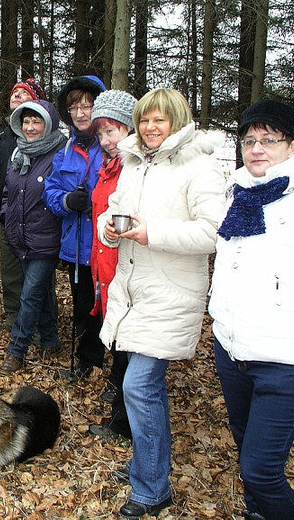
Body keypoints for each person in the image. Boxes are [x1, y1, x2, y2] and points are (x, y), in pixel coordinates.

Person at [208, 99, 294, 520]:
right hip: (234, 353)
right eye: (249, 140)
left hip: (285, 363)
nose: (257, 149)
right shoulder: (241, 198)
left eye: (269, 139)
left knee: (261, 470)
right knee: (247, 446)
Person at [96, 88, 225, 517]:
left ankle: (152, 489)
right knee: (143, 387)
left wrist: (152, 231)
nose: (151, 128)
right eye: (145, 120)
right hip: (133, 290)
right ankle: (147, 465)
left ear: (177, 120)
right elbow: (111, 210)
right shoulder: (133, 161)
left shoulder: (200, 167)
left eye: (160, 120)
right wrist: (108, 231)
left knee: (139, 386)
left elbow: (212, 233)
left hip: (170, 292)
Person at [43, 75, 107, 380]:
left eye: (87, 106)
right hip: (77, 245)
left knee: (107, 305)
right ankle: (87, 360)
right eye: (75, 107)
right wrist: (68, 201)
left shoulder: (111, 146)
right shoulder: (65, 151)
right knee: (83, 305)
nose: (81, 113)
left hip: (107, 244)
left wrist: (95, 202)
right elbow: (51, 191)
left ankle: (111, 365)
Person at [0, 99, 68, 374]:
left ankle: (17, 350)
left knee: (29, 294)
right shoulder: (18, 154)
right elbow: (8, 191)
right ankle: (50, 340)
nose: (30, 127)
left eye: (36, 122)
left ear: (48, 124)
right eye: (26, 121)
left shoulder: (59, 154)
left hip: (46, 238)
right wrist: (5, 213)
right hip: (20, 236)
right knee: (41, 292)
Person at [84, 89, 137, 443]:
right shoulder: (107, 167)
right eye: (100, 133)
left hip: (128, 270)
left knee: (129, 345)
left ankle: (124, 422)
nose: (105, 140)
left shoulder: (135, 169)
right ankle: (121, 405)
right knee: (118, 342)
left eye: (112, 131)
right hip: (105, 268)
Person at [0, 78, 45, 329]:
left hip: (37, 220)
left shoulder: (47, 139)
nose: (18, 98)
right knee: (11, 273)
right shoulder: (4, 139)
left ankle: (37, 325)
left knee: (36, 277)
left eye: (25, 94)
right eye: (15, 94)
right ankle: (14, 318)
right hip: (9, 216)